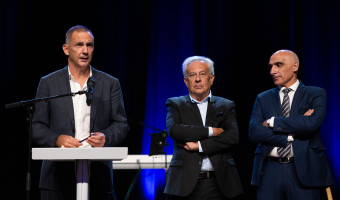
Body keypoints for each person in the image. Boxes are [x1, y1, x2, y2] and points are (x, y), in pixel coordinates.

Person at [32, 25, 128, 200]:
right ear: (66, 49)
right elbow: (37, 126)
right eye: (79, 45)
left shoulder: (110, 83)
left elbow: (121, 124)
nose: (85, 50)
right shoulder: (48, 83)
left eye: (89, 45)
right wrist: (58, 139)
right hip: (57, 179)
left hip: (98, 177)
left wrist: (105, 137)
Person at [249, 50, 334, 200]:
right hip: (269, 171)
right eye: (271, 66)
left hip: (304, 170)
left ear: (295, 66)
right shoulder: (263, 98)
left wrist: (272, 122)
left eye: (278, 65)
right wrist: (290, 135)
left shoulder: (315, 93)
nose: (272, 71)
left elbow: (311, 124)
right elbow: (255, 132)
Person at [164, 56, 243, 200]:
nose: (198, 79)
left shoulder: (226, 105)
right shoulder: (175, 104)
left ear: (211, 78)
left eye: (202, 74)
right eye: (192, 75)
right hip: (184, 184)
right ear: (186, 81)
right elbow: (175, 130)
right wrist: (211, 131)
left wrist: (199, 145)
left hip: (221, 183)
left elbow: (232, 136)